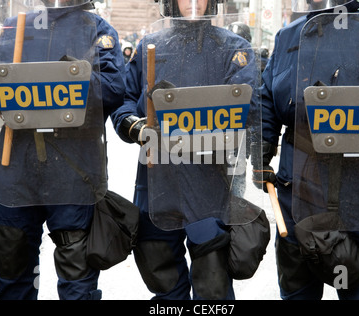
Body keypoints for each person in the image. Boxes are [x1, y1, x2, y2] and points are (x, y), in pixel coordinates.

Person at [256, 0, 359, 300]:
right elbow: (266, 98)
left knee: (355, 284)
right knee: (297, 288)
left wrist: (343, 105)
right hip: (294, 185)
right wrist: (261, 151)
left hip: (349, 187)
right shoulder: (289, 34)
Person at [0, 0, 125, 300]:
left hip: (74, 171)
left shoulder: (96, 28)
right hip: (15, 171)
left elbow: (113, 88)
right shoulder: (17, 27)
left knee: (77, 285)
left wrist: (69, 75)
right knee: (13, 279)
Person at [110, 0, 260, 299]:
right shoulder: (149, 46)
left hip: (209, 179)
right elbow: (124, 100)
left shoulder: (233, 48)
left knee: (213, 286)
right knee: (162, 278)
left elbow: (249, 105)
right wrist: (134, 126)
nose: (194, 2)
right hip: (156, 177)